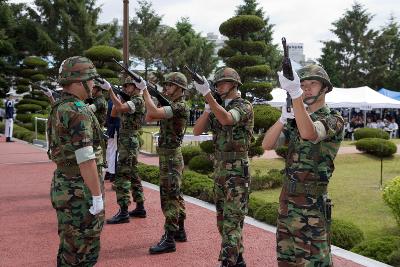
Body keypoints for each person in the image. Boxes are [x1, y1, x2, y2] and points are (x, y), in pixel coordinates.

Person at [262, 64, 344, 266]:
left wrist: (296, 94)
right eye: (303, 84)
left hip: (312, 208)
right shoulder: (294, 120)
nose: (307, 88)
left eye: (312, 84)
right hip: (287, 205)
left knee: (313, 263)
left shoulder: (334, 119)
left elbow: (310, 133)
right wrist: (282, 118)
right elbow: (267, 144)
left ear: (324, 88)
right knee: (286, 261)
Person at [48, 56, 107, 266]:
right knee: (85, 251)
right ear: (79, 82)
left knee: (69, 247)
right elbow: (86, 158)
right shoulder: (79, 111)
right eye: (90, 80)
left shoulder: (60, 107)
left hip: (63, 184)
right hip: (80, 191)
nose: (93, 84)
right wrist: (97, 196)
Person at [193, 67, 253, 267]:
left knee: (232, 220)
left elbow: (228, 119)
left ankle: (228, 261)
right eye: (216, 84)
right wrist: (208, 107)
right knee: (221, 219)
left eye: (223, 83)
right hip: (220, 170)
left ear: (234, 85)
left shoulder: (244, 105)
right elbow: (196, 130)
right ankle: (239, 257)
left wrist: (209, 96)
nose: (219, 87)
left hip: (237, 171)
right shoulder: (216, 106)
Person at [141, 72, 189, 254]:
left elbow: (152, 113)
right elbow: (149, 117)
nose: (166, 87)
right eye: (166, 85)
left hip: (171, 157)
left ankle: (169, 238)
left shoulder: (180, 107)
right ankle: (180, 231)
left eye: (170, 85)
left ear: (180, 88)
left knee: (169, 197)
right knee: (176, 194)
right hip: (168, 156)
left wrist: (144, 90)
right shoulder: (172, 105)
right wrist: (156, 99)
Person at [106, 76, 147, 224]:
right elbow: (114, 113)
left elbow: (121, 109)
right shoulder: (129, 100)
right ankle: (140, 207)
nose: (124, 89)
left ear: (135, 86)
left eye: (127, 86)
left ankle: (123, 211)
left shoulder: (137, 100)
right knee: (133, 174)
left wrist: (110, 91)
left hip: (129, 141)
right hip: (126, 140)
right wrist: (119, 98)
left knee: (122, 174)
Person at [104, 98, 120, 181]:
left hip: (110, 128)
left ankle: (108, 172)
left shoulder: (109, 101)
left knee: (110, 151)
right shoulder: (116, 101)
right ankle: (112, 173)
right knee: (114, 151)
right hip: (115, 129)